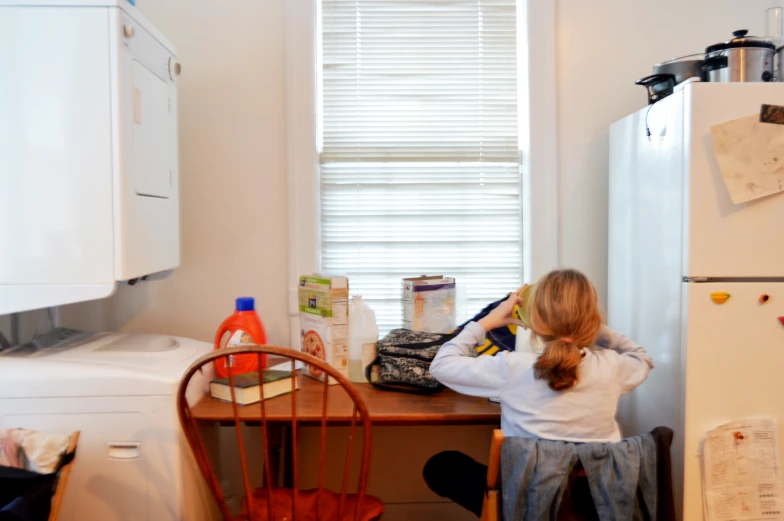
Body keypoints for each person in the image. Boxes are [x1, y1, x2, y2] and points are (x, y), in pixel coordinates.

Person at [422, 269, 653, 516]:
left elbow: (441, 365)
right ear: (592, 320)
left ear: (534, 322)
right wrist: (595, 328)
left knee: (441, 466)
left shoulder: (512, 367)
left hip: (528, 502)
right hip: (597, 504)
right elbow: (642, 358)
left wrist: (487, 321)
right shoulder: (612, 367)